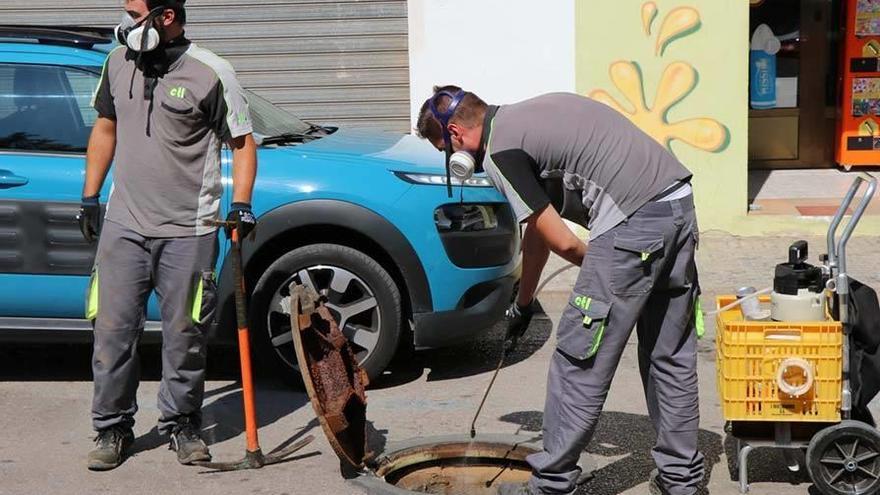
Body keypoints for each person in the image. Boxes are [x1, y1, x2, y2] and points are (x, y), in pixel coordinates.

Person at [416, 86, 704, 495]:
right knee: (669, 355)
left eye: (446, 151)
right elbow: (539, 229)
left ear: (458, 136)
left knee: (577, 359)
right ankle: (682, 483)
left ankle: (550, 486)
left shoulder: (500, 151)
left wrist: (611, 274)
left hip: (634, 224)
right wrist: (524, 302)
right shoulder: (536, 115)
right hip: (679, 206)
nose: (455, 160)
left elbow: (566, 243)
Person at [78, 0, 257, 471]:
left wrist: (241, 204)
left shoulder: (211, 71)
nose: (125, 23)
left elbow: (242, 142)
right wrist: (90, 195)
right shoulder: (117, 62)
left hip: (189, 230)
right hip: (124, 225)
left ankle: (181, 423)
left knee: (185, 334)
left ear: (167, 17)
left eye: (133, 13)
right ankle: (112, 427)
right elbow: (105, 127)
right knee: (111, 331)